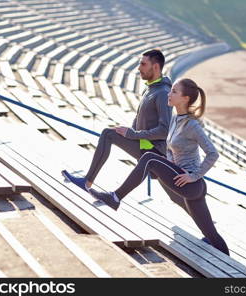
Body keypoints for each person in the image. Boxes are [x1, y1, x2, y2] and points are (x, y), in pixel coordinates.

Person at [88, 78, 230, 255]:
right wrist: (170, 161)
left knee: (149, 158)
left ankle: (115, 197)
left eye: (174, 92)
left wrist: (194, 175)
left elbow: (213, 153)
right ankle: (234, 270)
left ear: (185, 98)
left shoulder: (192, 124)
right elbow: (171, 146)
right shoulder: (175, 118)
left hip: (191, 184)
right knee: (212, 236)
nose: (169, 94)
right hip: (185, 183)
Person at [62, 49, 172, 190]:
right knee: (110, 133)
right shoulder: (151, 88)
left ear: (155, 67)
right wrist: (129, 131)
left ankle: (88, 183)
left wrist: (132, 135)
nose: (139, 68)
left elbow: (165, 130)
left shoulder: (163, 93)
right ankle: (90, 184)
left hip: (154, 151)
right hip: (143, 144)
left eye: (143, 64)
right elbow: (139, 117)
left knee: (108, 134)